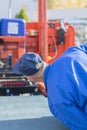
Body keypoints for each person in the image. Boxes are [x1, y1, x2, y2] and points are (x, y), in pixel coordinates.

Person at [13, 43, 87, 130]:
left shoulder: (56, 102)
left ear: (29, 77)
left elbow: (82, 125)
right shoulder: (73, 51)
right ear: (42, 61)